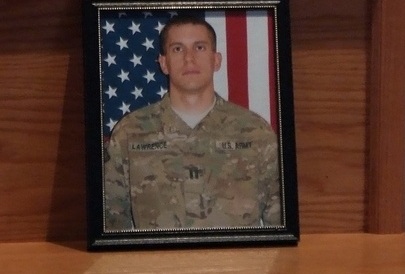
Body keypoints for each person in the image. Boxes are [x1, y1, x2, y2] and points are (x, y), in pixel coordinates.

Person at [103, 12, 281, 230]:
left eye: (199, 47)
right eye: (177, 49)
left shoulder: (255, 133)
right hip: (156, 263)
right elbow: (111, 225)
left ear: (216, 60)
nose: (189, 58)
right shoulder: (130, 133)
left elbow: (280, 223)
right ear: (164, 63)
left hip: (238, 263)